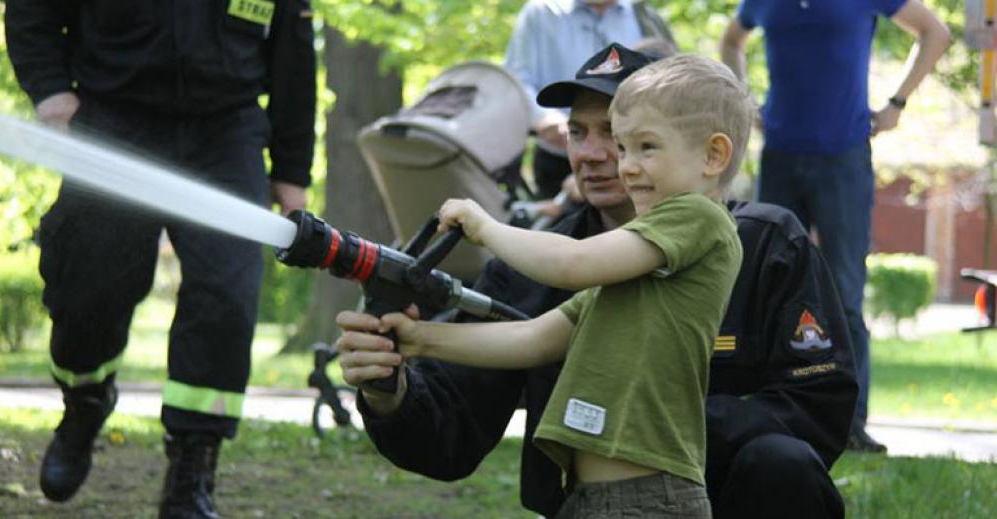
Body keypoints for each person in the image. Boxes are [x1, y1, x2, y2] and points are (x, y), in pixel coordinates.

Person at [339, 43, 857, 519]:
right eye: (577, 132)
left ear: (708, 152)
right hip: (583, 500)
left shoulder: (754, 240)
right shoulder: (540, 263)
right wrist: (398, 368)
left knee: (781, 464)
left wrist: (642, 428)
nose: (598, 154)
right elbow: (501, 372)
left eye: (621, 135)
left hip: (696, 496)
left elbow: (819, 405)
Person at [5, 1, 316, 517]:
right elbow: (30, 10)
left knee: (226, 297)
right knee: (89, 285)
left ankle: (192, 470)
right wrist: (51, 91)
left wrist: (293, 170)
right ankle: (84, 402)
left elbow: (294, 49)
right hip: (113, 118)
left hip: (227, 133)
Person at [720, 0, 950, 453]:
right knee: (765, 288)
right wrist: (744, 102)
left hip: (843, 155)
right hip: (780, 155)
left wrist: (896, 104)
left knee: (844, 294)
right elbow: (731, 41)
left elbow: (935, 33)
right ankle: (773, 411)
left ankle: (850, 424)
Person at [504, 0, 675, 201]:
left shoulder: (642, 13)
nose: (592, 152)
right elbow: (516, 76)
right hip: (560, 154)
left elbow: (670, 78)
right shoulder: (543, 11)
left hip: (632, 153)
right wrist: (542, 116)